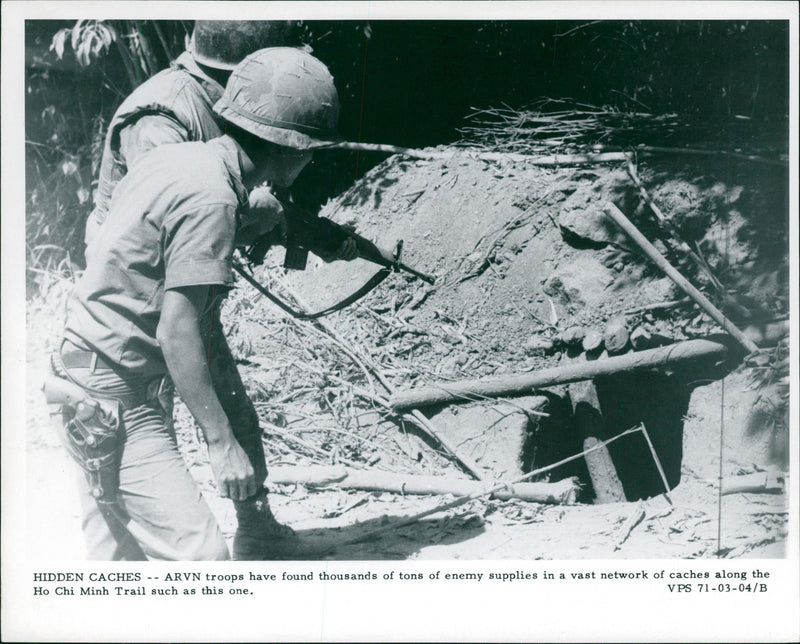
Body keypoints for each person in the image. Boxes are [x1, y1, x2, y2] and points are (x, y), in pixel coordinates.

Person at [55, 47, 343, 560]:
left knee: (117, 558)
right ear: (293, 148)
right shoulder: (213, 198)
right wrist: (221, 442)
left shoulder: (181, 158)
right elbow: (177, 330)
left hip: (86, 370)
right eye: (313, 149)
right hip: (119, 393)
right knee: (202, 557)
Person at [85, 20, 303, 251]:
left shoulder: (218, 101)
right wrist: (251, 208)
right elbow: (165, 219)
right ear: (244, 72)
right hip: (133, 268)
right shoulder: (159, 119)